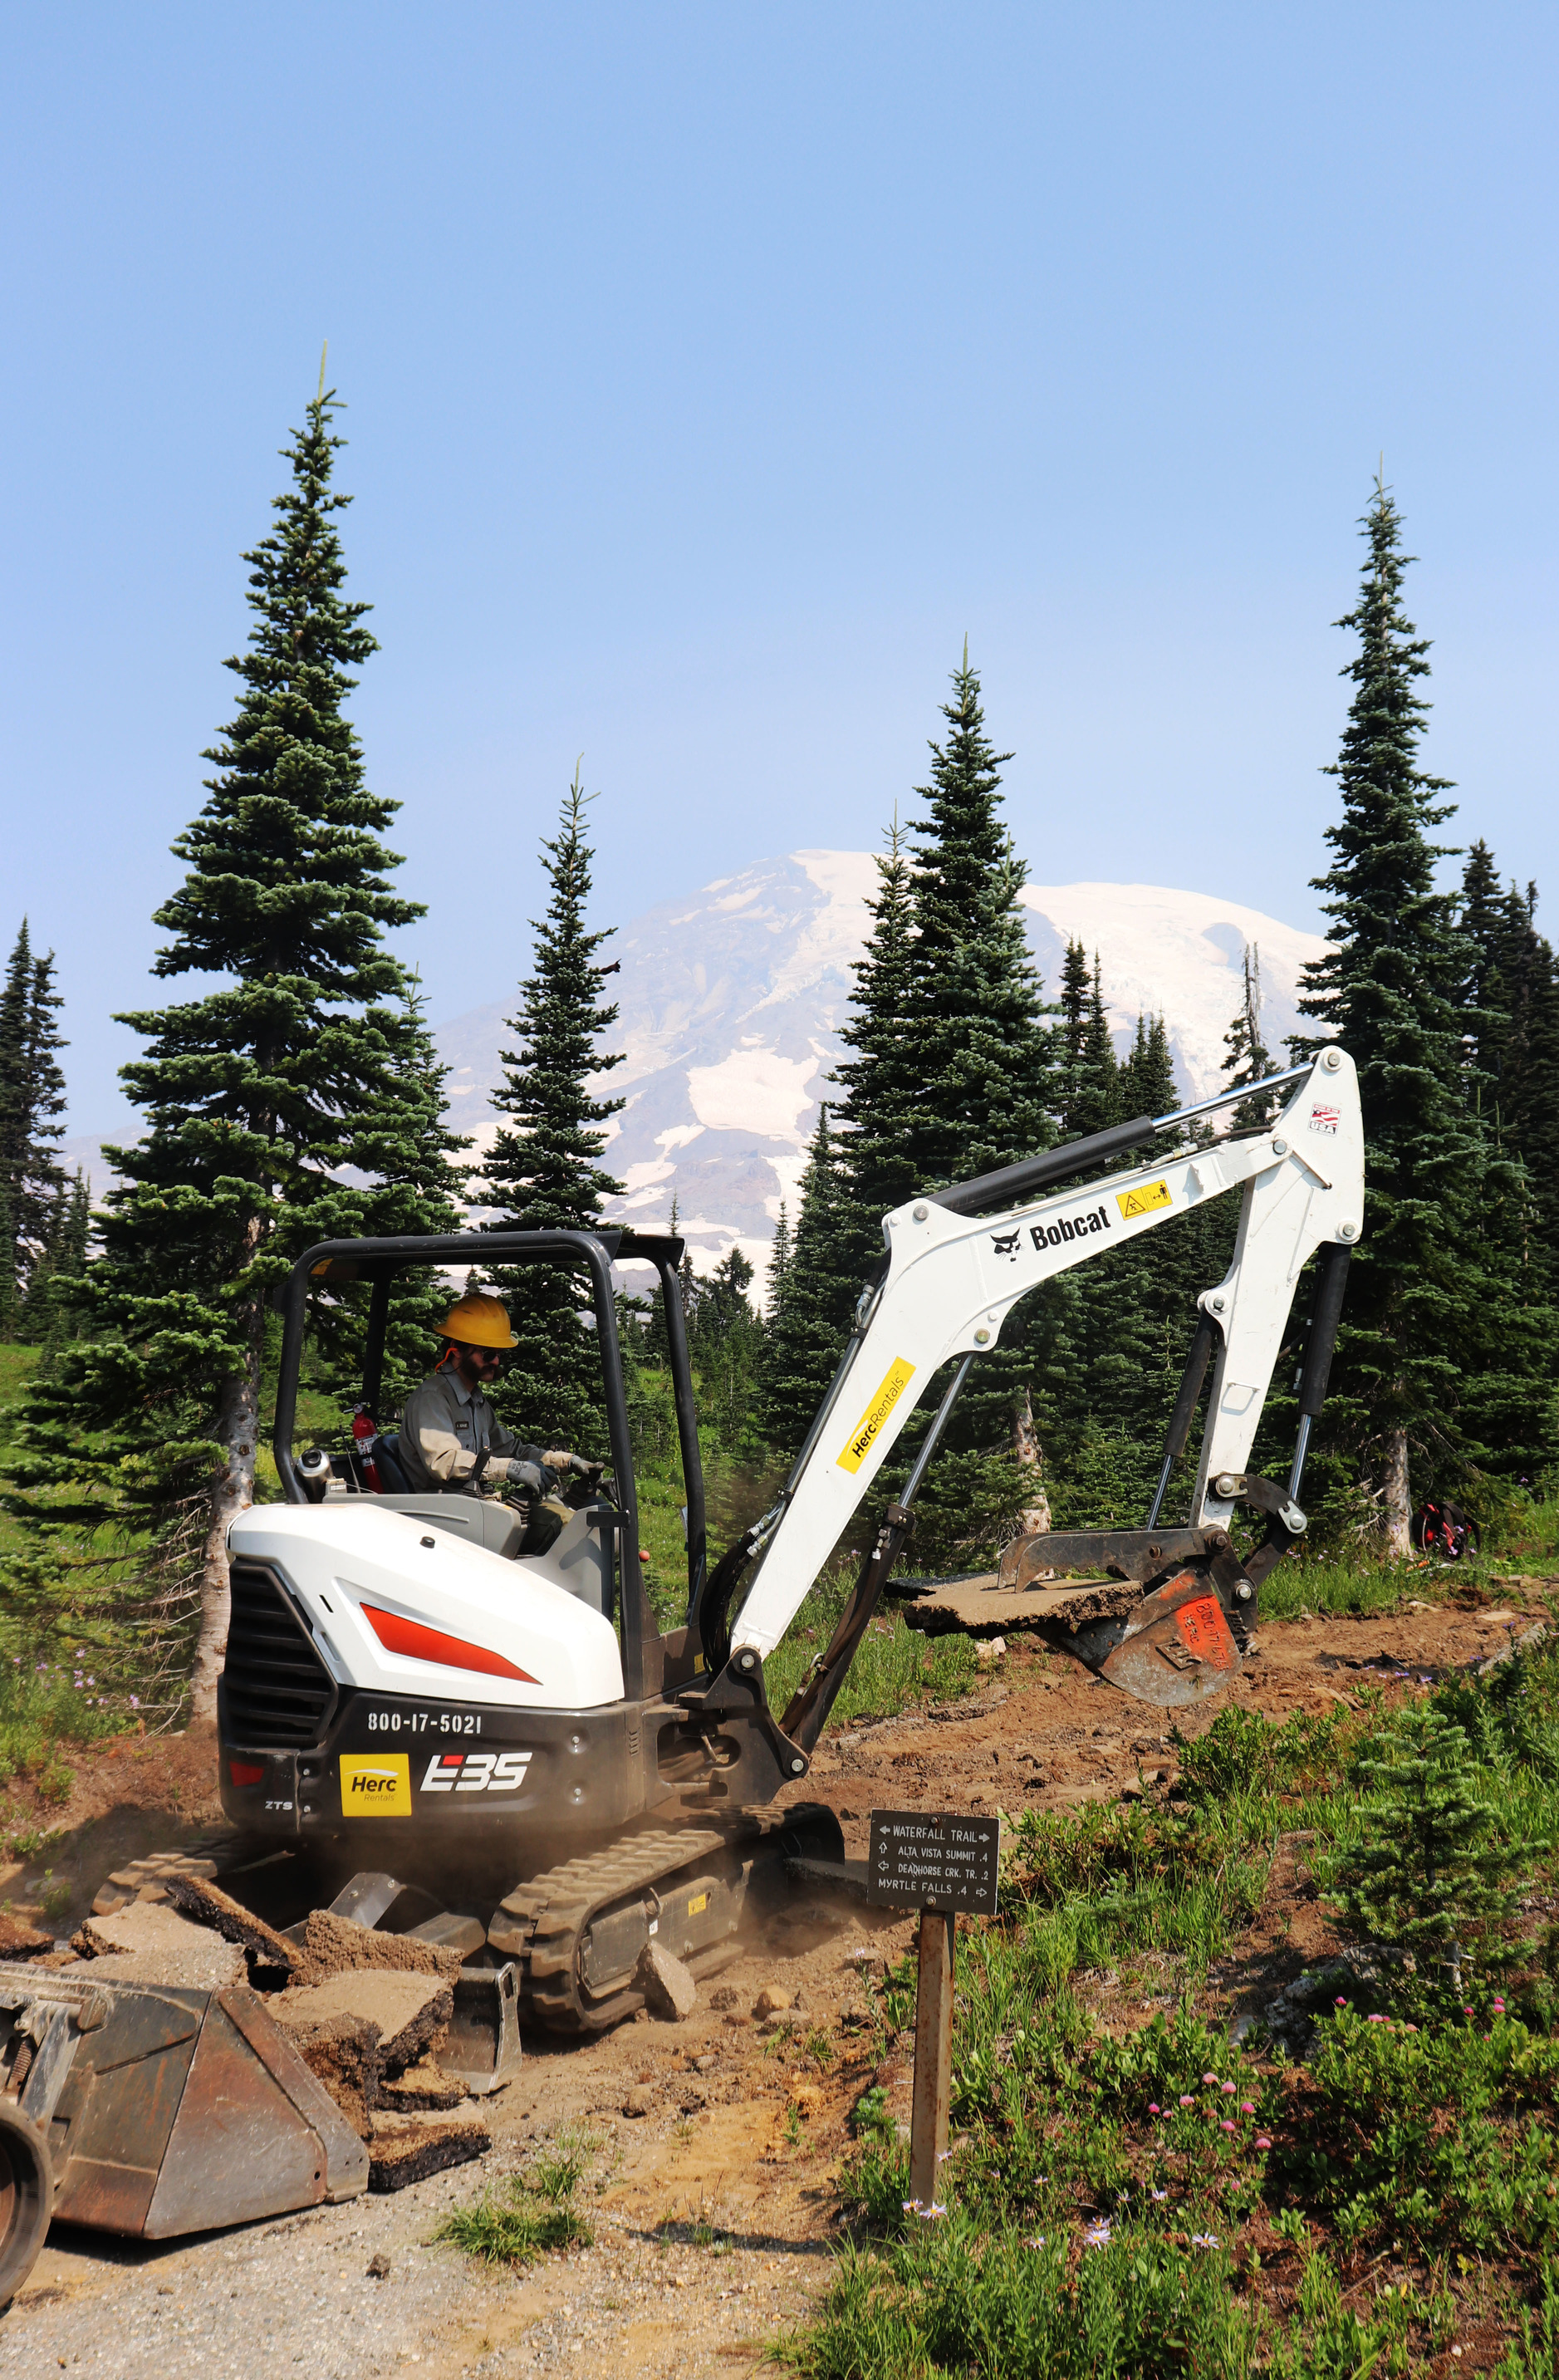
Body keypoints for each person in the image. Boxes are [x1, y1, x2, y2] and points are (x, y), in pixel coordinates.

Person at [398, 1293, 596, 1552]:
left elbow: (513, 1450)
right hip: (443, 1519)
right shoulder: (433, 1399)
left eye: (499, 1354)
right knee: (559, 1531)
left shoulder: (476, 1402)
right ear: (456, 1351)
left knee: (574, 1522)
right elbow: (443, 1461)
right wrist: (511, 1469)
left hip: (474, 1510)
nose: (496, 1361)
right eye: (488, 1353)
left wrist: (566, 1461)